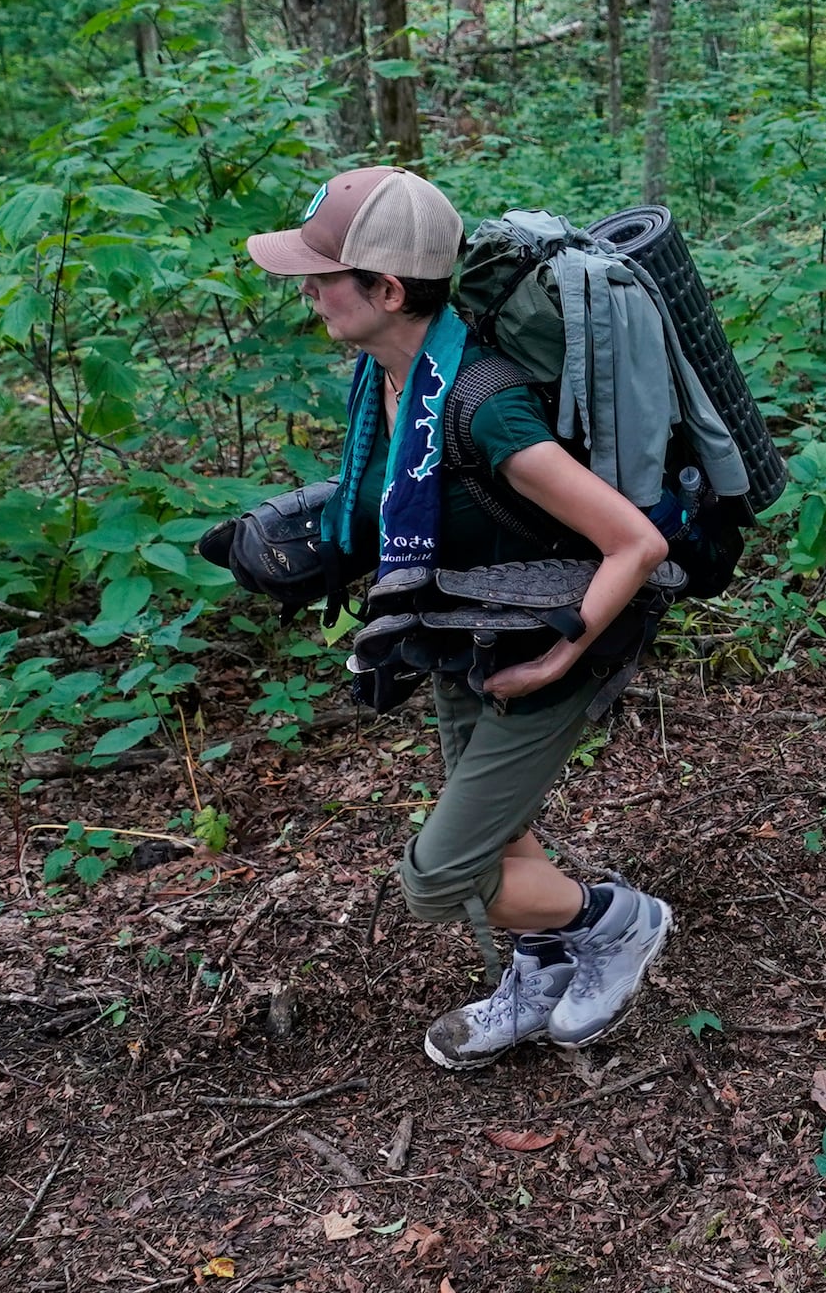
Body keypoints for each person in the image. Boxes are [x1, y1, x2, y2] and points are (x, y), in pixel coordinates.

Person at [248, 166, 680, 1070]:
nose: (308, 290)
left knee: (442, 875)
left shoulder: (484, 405)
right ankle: (540, 968)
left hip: (549, 641)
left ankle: (620, 924)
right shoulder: (390, 381)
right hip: (460, 630)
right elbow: (407, 499)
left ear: (389, 289)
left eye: (324, 275)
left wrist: (560, 662)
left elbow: (633, 544)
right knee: (506, 837)